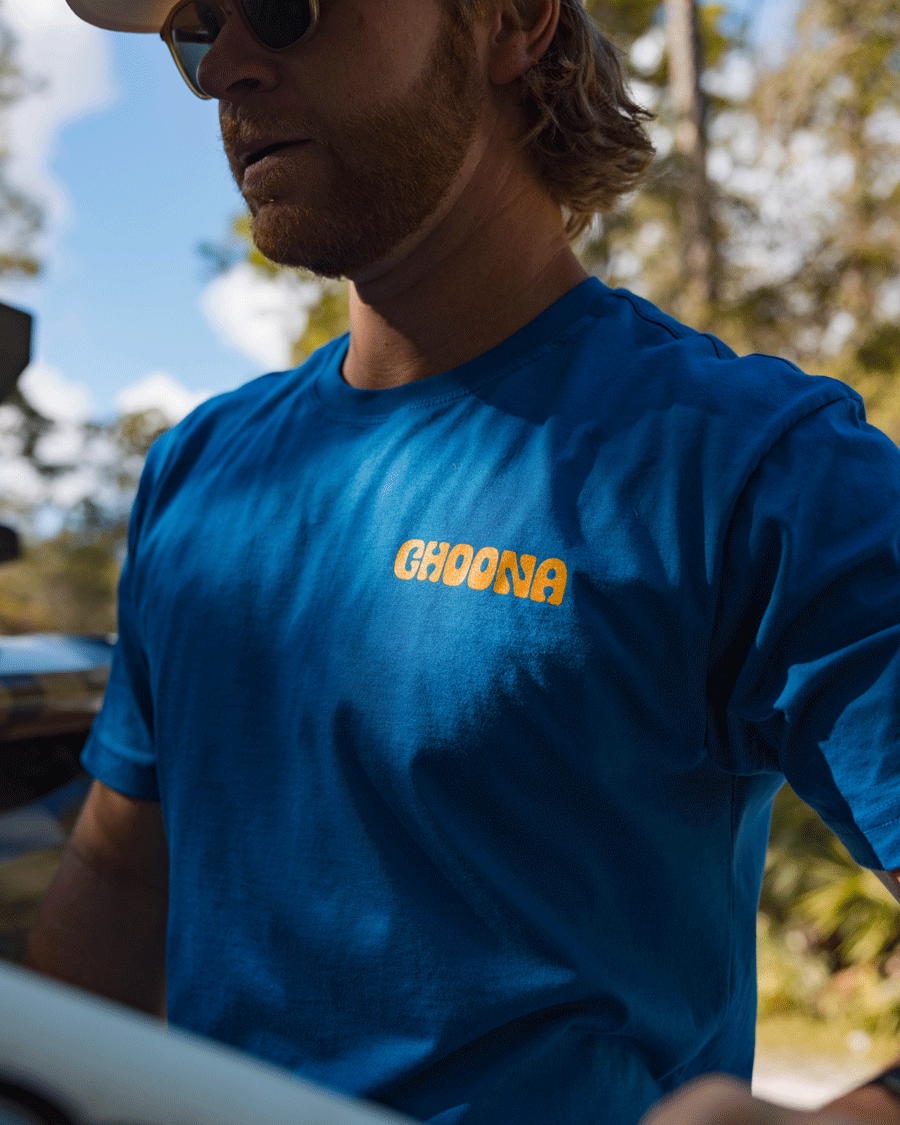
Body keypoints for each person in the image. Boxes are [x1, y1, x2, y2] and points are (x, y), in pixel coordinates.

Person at [25, 1, 900, 1123]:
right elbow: (119, 876)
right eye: (194, 30)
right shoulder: (200, 468)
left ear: (509, 22)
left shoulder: (752, 467)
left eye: (286, 8)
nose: (222, 72)